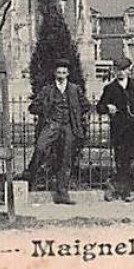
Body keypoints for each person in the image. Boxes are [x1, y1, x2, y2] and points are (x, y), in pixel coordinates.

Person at [97, 57, 134, 202]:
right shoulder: (110, 88)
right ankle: (121, 188)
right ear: (114, 71)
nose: (121, 73)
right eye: (118, 70)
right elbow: (99, 107)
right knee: (120, 160)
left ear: (129, 70)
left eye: (124, 70)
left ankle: (123, 188)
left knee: (132, 160)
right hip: (119, 129)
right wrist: (107, 108)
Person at [27, 63, 89, 204]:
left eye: (64, 73)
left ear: (67, 74)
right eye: (59, 72)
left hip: (68, 126)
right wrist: (44, 109)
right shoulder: (47, 90)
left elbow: (86, 105)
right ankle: (31, 180)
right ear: (55, 74)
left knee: (66, 159)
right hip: (52, 124)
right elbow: (33, 107)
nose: (61, 75)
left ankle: (62, 193)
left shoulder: (74, 89)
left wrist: (76, 115)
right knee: (40, 148)